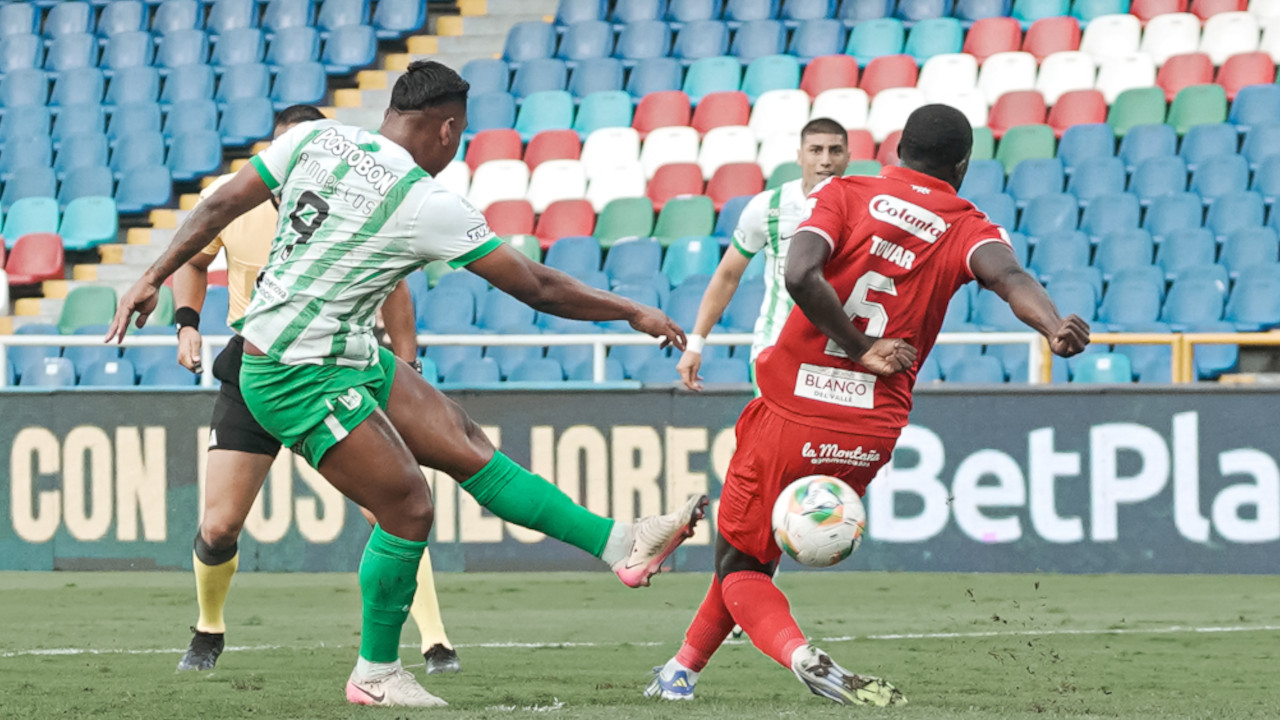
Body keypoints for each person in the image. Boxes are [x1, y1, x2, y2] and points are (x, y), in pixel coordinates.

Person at [106, 60, 707, 708]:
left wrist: (151, 275)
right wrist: (630, 309)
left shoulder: (314, 138)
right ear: (447, 130)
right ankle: (375, 672)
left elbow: (220, 202)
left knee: (464, 441)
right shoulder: (425, 200)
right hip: (291, 370)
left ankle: (622, 543)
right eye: (461, 134)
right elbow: (535, 286)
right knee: (408, 507)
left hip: (338, 347)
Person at [645, 105, 1091, 706]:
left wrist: (861, 348)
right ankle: (681, 671)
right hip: (869, 431)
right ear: (962, 165)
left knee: (739, 564)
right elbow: (1009, 278)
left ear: (897, 147)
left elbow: (801, 274)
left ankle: (800, 654)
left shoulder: (844, 193)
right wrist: (1053, 325)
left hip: (791, 410)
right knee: (757, 551)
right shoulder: (967, 223)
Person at [172, 105, 462, 676]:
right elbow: (195, 256)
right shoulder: (238, 199)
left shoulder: (355, 200)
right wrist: (186, 320)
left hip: (336, 366)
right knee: (219, 525)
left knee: (394, 506)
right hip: (256, 366)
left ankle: (433, 639)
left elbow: (394, 287)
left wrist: (406, 362)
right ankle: (208, 629)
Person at [677, 118, 850, 392]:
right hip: (777, 348)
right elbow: (727, 276)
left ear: (848, 157)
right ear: (799, 156)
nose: (826, 160)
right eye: (816, 150)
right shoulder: (768, 206)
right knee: (776, 436)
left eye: (835, 151)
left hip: (841, 354)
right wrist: (695, 345)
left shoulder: (866, 210)